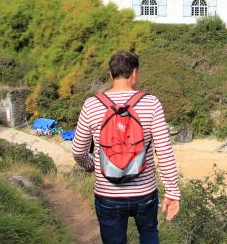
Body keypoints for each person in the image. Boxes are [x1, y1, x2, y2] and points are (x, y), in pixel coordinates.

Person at [72, 51, 180, 244]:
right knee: (148, 234)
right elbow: (164, 151)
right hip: (144, 193)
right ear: (135, 73)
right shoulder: (151, 103)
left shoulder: (92, 105)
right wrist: (172, 192)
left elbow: (79, 150)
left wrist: (91, 165)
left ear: (110, 73)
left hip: (108, 194)